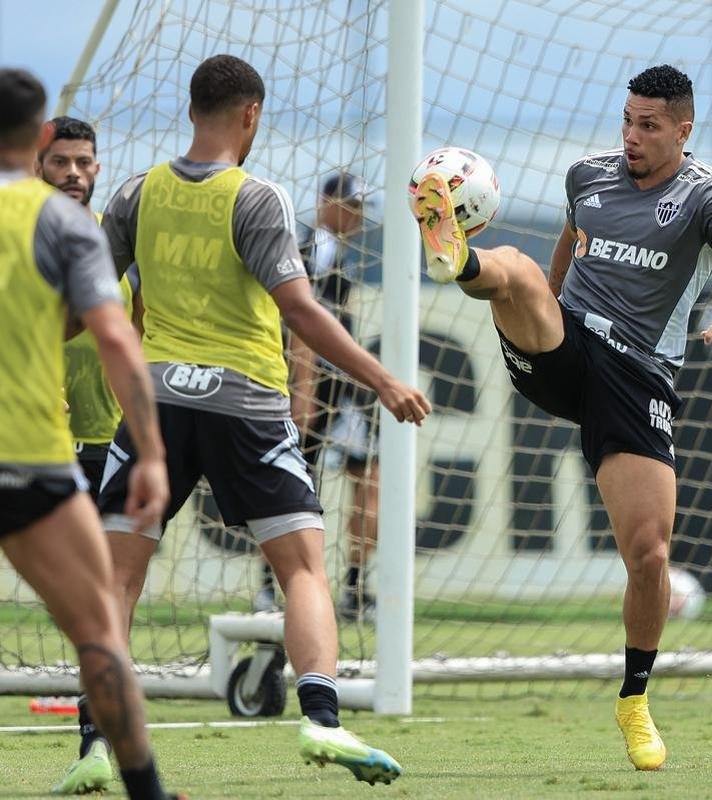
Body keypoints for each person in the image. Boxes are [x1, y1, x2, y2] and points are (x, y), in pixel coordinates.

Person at [69, 54, 430, 788]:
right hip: (245, 403)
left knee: (118, 582)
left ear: (190, 108)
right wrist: (385, 377)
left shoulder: (136, 193)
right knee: (301, 567)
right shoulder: (258, 198)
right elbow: (300, 310)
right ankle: (321, 719)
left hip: (156, 405)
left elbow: (84, 299)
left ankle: (95, 744)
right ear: (251, 114)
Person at [411, 64, 712, 770]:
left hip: (636, 377)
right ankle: (455, 258)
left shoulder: (705, 195)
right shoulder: (588, 175)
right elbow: (565, 247)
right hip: (567, 345)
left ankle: (634, 701)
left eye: (649, 126)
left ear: (682, 130)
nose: (632, 136)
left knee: (650, 555)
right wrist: (542, 310)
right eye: (627, 121)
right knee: (518, 270)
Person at [0, 67, 181, 800]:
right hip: (30, 456)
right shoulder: (65, 227)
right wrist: (154, 452)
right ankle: (146, 791)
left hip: (61, 444)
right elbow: (115, 336)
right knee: (100, 629)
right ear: (39, 136)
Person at [258, 172, 381, 621]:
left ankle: (353, 587)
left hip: (341, 391)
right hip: (313, 390)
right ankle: (273, 589)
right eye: (351, 206)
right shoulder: (311, 248)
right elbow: (299, 319)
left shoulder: (336, 253)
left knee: (369, 476)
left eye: (360, 208)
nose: (357, 217)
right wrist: (304, 390)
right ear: (326, 203)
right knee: (294, 488)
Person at [36, 116, 141, 501]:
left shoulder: (121, 245)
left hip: (108, 438)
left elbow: (142, 332)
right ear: (37, 168)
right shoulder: (12, 239)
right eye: (59, 162)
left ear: (97, 168)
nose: (72, 173)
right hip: (32, 434)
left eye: (82, 162)